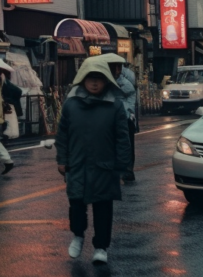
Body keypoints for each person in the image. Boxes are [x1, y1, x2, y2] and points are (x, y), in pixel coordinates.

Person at [56, 56, 131, 266]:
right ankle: (78, 236)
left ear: (107, 80)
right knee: (77, 205)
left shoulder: (115, 106)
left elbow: (122, 139)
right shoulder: (71, 105)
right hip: (77, 165)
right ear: (82, 80)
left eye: (99, 78)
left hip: (105, 167)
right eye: (90, 78)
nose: (95, 82)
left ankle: (101, 247)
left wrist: (122, 166)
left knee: (103, 209)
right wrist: (62, 159)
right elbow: (62, 136)